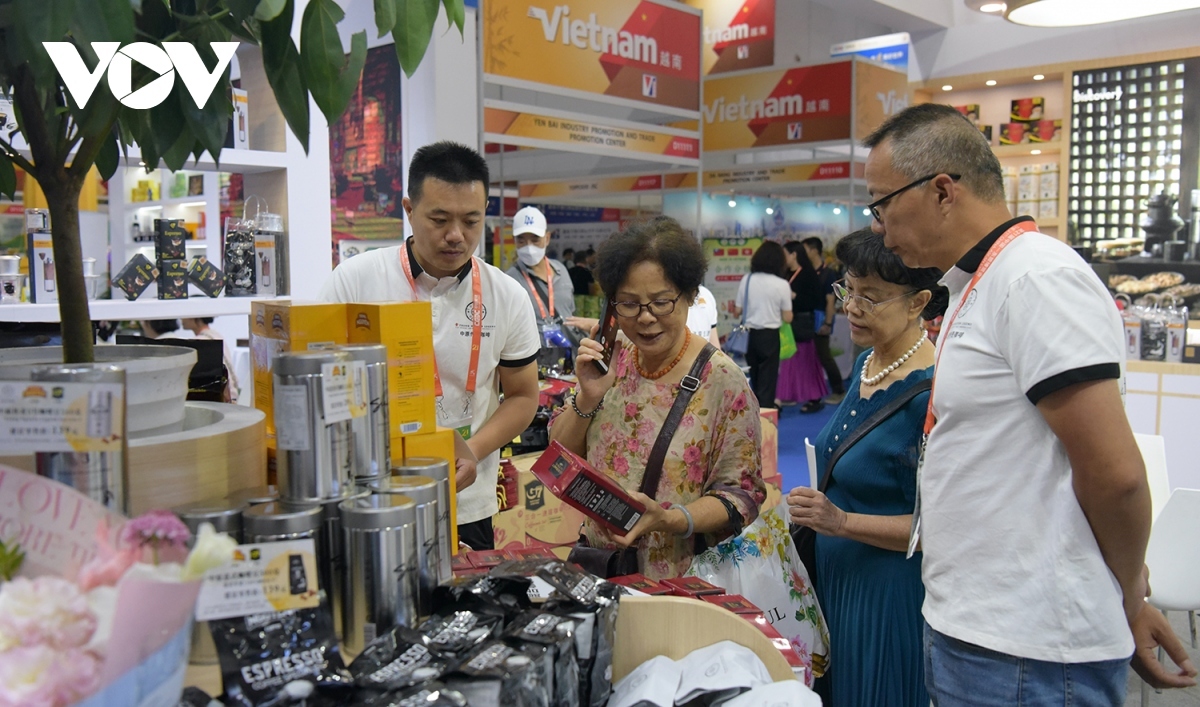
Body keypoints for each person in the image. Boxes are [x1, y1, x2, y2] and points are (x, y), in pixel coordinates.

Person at [863, 103, 1197, 701]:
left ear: (942, 190)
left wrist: (1126, 595)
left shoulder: (1034, 278)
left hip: (1028, 648)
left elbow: (1115, 475)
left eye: (881, 204)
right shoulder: (982, 281)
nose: (876, 225)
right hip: (980, 628)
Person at [319, 141, 542, 551]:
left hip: (465, 500)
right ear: (408, 208)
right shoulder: (355, 282)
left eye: (471, 221)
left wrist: (471, 452)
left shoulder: (506, 295)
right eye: (439, 219)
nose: (455, 235)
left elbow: (524, 396)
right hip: (368, 495)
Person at [549, 216, 766, 580]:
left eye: (661, 302)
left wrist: (668, 519)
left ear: (690, 296)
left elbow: (741, 496)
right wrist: (586, 398)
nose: (645, 318)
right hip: (602, 569)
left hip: (678, 578)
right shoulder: (609, 361)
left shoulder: (723, 382)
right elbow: (558, 455)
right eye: (629, 304)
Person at [788, 229, 945, 707]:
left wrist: (841, 522)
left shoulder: (936, 391)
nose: (852, 307)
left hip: (888, 593)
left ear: (918, 302)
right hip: (835, 580)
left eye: (870, 298)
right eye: (848, 291)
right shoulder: (865, 364)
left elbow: (939, 525)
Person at [732, 241, 793, 409]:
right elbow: (788, 317)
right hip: (770, 336)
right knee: (768, 380)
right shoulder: (782, 284)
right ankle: (766, 418)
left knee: (755, 377)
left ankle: (755, 413)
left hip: (750, 335)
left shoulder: (747, 279)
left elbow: (737, 311)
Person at [505, 205, 576, 327]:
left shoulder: (561, 270)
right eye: (521, 241)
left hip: (567, 344)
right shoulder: (508, 280)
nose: (529, 247)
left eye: (535, 240)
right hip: (532, 346)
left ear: (547, 238)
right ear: (514, 240)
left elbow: (570, 310)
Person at [777, 242, 828, 413]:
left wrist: (793, 296)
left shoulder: (808, 274)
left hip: (802, 324)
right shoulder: (784, 274)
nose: (783, 258)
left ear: (794, 255)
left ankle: (814, 398)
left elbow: (814, 301)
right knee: (788, 363)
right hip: (786, 324)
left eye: (785, 254)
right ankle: (782, 398)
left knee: (805, 362)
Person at [803, 237, 846, 404]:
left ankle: (839, 389)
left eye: (805, 249)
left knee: (824, 355)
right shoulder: (808, 272)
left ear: (814, 250)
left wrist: (828, 323)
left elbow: (830, 301)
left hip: (821, 319)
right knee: (811, 357)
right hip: (808, 320)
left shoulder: (828, 273)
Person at [181, 317, 240, 403]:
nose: (181, 319)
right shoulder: (215, 334)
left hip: (222, 399)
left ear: (194, 317)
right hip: (231, 395)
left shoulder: (200, 341)